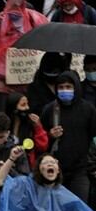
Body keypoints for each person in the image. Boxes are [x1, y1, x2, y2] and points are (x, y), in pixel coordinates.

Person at [0, 0, 48, 115]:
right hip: (3, 78)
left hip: (26, 75)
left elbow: (44, 38)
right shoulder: (0, 20)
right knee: (2, 111)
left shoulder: (33, 18)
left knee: (25, 111)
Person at [40, 71, 96, 203]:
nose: (65, 90)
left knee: (79, 208)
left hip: (80, 170)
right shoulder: (50, 110)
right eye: (61, 87)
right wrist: (50, 135)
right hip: (55, 170)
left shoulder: (88, 109)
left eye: (68, 87)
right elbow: (40, 141)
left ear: (76, 87)